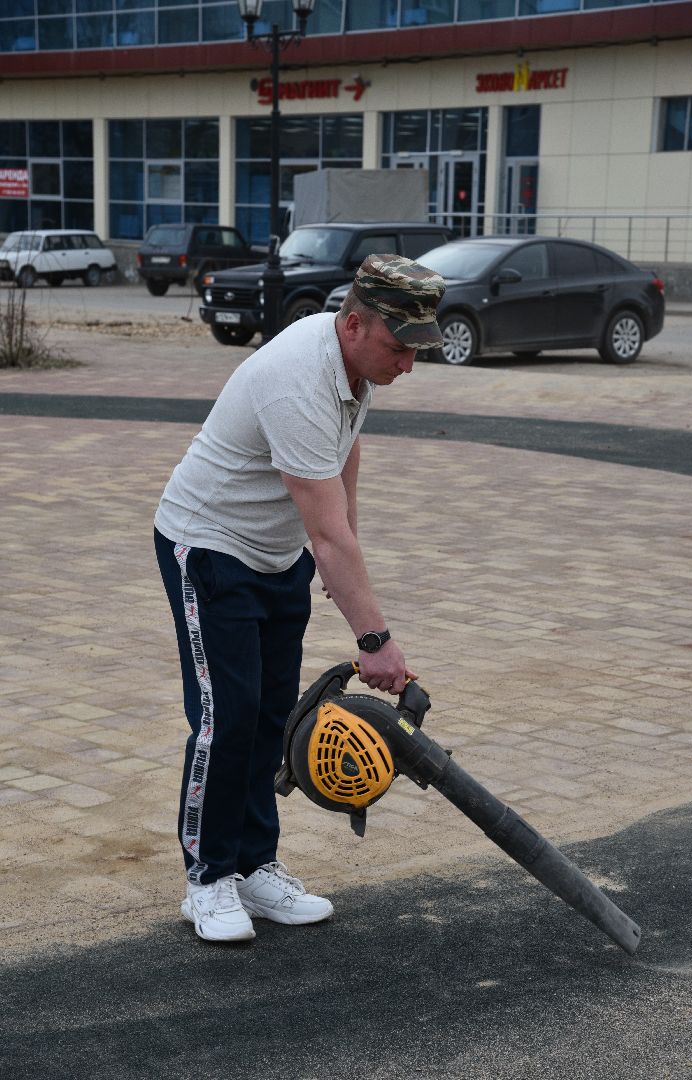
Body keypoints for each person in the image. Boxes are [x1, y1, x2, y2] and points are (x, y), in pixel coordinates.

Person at [154, 254, 446, 943]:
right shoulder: (296, 378)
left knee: (269, 720)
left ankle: (254, 865)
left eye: (415, 350)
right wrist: (373, 639)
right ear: (352, 324)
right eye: (398, 347)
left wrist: (337, 545)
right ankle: (207, 880)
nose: (406, 364)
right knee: (224, 719)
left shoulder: (353, 365)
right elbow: (324, 526)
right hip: (210, 548)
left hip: (276, 553)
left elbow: (342, 457)